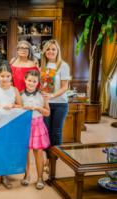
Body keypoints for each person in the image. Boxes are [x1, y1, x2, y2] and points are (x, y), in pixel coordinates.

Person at [0, 64, 22, 193]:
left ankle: (5, 176)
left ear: (11, 76)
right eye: (2, 76)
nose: (5, 78)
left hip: (10, 124)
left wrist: (12, 105)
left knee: (7, 150)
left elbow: (21, 106)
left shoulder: (14, 90)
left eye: (7, 76)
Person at [40, 39, 71, 171]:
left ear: (57, 51)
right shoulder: (41, 66)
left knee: (56, 133)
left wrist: (52, 95)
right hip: (45, 104)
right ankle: (48, 158)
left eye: (53, 49)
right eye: (48, 49)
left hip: (60, 104)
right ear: (44, 52)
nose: (51, 51)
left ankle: (54, 160)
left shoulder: (63, 65)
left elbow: (65, 87)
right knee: (46, 132)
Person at [20, 70, 50, 190]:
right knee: (25, 152)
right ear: (25, 80)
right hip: (24, 127)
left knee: (38, 152)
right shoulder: (20, 94)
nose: (31, 83)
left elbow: (47, 113)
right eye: (29, 80)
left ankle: (40, 177)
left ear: (38, 82)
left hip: (38, 126)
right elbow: (16, 109)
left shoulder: (42, 95)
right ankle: (27, 175)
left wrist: (38, 108)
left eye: (34, 81)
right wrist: (22, 108)